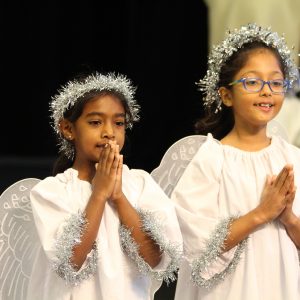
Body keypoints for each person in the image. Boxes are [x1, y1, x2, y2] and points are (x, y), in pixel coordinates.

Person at [171, 24, 300, 300]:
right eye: (252, 82)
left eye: (276, 83)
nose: (267, 91)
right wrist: (261, 214)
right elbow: (195, 246)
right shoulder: (210, 159)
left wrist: (288, 218)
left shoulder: (293, 159)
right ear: (226, 95)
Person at [27, 72, 182, 300]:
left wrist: (118, 196)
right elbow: (71, 261)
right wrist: (99, 193)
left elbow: (155, 258)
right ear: (68, 129)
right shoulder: (51, 192)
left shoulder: (140, 184)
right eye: (95, 122)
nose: (109, 132)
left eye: (118, 123)